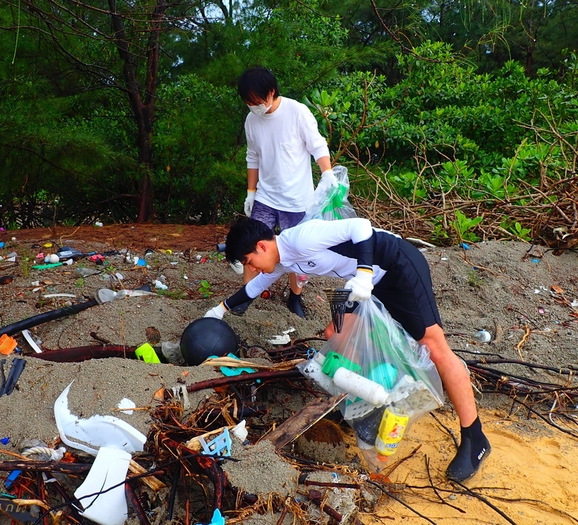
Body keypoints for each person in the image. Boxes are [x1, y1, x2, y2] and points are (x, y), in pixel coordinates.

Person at [204, 217, 491, 483]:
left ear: (261, 246)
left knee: (433, 346)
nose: (250, 268)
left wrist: (364, 275)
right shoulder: (281, 259)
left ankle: (474, 438)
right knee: (335, 333)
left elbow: (362, 227)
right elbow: (256, 287)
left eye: (247, 260)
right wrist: (218, 310)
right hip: (361, 284)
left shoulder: (301, 238)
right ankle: (366, 402)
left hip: (395, 267)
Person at [235, 65, 333, 318]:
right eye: (248, 103)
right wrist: (250, 191)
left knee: (297, 253)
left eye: (256, 101)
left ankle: (295, 298)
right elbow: (253, 155)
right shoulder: (251, 120)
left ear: (271, 92)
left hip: (298, 200)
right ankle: (247, 295)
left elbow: (317, 145)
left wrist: (328, 174)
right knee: (250, 246)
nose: (253, 107)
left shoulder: (297, 112)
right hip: (266, 197)